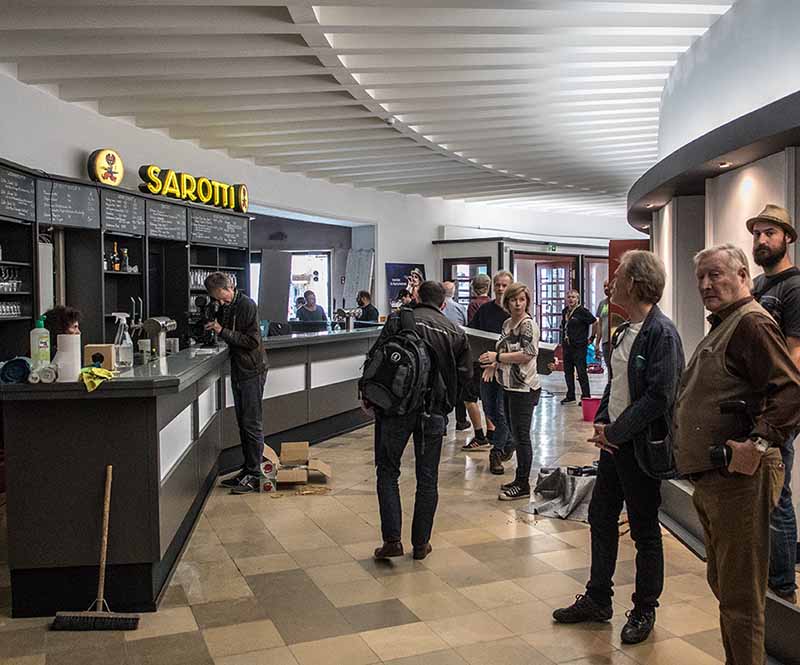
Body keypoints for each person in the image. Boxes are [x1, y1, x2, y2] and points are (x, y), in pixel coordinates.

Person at [674, 244, 800, 665]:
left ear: (743, 275)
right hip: (716, 479)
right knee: (727, 586)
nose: (706, 285)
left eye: (716, 275)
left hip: (739, 481)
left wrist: (759, 444)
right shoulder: (728, 323)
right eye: (700, 278)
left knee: (742, 598)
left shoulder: (751, 323)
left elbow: (790, 391)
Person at [553, 251, 685, 646]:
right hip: (616, 445)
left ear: (636, 283)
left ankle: (645, 608)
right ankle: (598, 597)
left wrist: (617, 432)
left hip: (639, 447)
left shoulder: (662, 333)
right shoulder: (624, 329)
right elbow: (618, 381)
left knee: (644, 528)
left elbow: (660, 396)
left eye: (619, 273)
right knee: (600, 516)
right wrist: (603, 422)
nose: (612, 280)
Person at [367, 280, 471, 561]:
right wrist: (446, 404)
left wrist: (372, 398)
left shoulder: (400, 319)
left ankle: (392, 541)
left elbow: (377, 358)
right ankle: (421, 544)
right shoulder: (455, 332)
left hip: (395, 410)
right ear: (443, 304)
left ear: (417, 297)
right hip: (433, 413)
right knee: (428, 479)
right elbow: (464, 378)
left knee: (388, 472)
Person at [748, 204, 800, 604]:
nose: (762, 240)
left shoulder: (794, 288)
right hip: (755, 404)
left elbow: (795, 357)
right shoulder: (758, 288)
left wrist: (773, 410)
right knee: (762, 492)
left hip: (777, 407)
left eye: (770, 233)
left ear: (787, 238)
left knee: (777, 495)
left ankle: (782, 590)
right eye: (757, 234)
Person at [205, 272, 269, 495]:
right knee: (243, 422)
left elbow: (252, 341)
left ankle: (256, 474)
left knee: (252, 423)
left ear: (229, 288)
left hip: (252, 369)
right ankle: (247, 469)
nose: (219, 302)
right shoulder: (228, 307)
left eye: (220, 297)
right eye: (216, 299)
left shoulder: (247, 305)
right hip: (240, 369)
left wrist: (222, 331)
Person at [478, 282, 541, 495]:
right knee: (510, 430)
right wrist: (494, 363)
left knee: (521, 437)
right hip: (507, 385)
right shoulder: (506, 324)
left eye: (522, 299)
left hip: (524, 388)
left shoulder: (528, 325)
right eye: (514, 299)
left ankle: (523, 483)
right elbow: (503, 349)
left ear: (527, 302)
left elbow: (528, 354)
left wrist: (498, 357)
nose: (517, 303)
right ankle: (518, 477)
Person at [466, 271, 513, 474]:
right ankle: (510, 440)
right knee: (490, 410)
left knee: (502, 412)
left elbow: (517, 343)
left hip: (507, 371)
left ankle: (497, 452)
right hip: (485, 369)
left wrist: (497, 361)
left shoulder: (515, 311)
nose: (500, 288)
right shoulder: (484, 310)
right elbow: (473, 336)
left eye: (504, 285)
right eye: (498, 285)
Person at [560, 289, 596, 405]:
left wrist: (592, 338)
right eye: (569, 297)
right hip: (567, 346)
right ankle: (570, 395)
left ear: (578, 299)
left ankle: (586, 396)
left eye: (573, 297)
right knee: (568, 372)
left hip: (579, 347)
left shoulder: (582, 311)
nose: (571, 299)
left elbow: (595, 322)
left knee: (581, 372)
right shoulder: (565, 311)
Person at [593, 281, 611, 368]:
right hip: (605, 341)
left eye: (608, 286)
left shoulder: (619, 303)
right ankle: (609, 381)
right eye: (604, 286)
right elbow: (599, 324)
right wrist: (597, 343)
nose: (606, 288)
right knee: (608, 365)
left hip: (616, 341)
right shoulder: (602, 303)